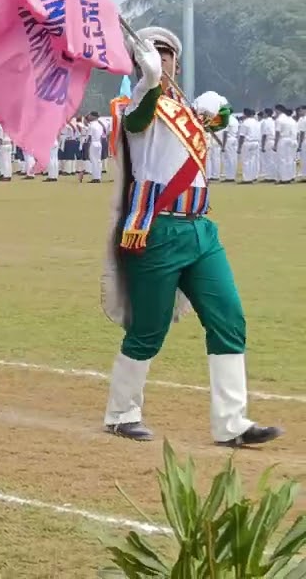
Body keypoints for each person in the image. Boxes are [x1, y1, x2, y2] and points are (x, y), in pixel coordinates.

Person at [101, 27, 281, 447]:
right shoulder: (135, 107)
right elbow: (140, 117)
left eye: (167, 55)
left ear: (177, 63)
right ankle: (122, 412)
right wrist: (147, 81)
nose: (161, 60)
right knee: (149, 327)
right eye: (153, 53)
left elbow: (221, 119)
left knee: (229, 316)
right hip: (156, 229)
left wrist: (220, 109)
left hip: (201, 227)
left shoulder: (185, 109)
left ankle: (231, 422)